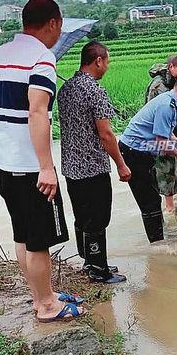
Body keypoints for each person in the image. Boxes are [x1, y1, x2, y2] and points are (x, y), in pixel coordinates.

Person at [0, 0, 83, 322]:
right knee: (39, 240)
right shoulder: (42, 58)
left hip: (2, 163)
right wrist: (46, 167)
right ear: (54, 23)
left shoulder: (0, 53)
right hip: (30, 167)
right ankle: (47, 306)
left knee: (23, 235)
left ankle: (40, 296)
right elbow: (37, 111)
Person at [58, 41, 129, 285]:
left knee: (82, 216)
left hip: (71, 167)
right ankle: (99, 270)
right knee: (98, 218)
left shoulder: (65, 89)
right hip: (92, 167)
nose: (107, 66)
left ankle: (90, 261)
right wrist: (121, 164)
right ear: (98, 60)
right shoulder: (95, 91)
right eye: (107, 61)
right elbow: (106, 134)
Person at [119, 73, 177, 243]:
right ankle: (157, 246)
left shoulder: (170, 102)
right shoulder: (166, 105)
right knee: (150, 203)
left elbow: (166, 134)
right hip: (134, 153)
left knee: (153, 199)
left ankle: (159, 240)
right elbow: (162, 144)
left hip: (141, 152)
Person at [145, 55, 177, 213]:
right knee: (165, 170)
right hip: (158, 135)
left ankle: (174, 204)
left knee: (175, 168)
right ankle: (169, 209)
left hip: (169, 131)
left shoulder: (174, 83)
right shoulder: (158, 86)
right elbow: (155, 116)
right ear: (171, 67)